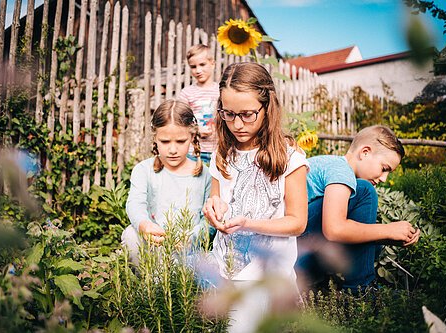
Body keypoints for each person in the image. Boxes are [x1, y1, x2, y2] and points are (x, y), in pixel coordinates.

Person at [202, 62, 309, 333]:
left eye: (247, 114)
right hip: (225, 264)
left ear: (267, 108)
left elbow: (297, 222)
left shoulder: (290, 157)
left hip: (266, 271)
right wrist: (213, 209)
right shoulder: (222, 154)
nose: (237, 124)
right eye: (228, 114)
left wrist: (248, 223)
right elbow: (218, 200)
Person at [296, 125, 421, 293]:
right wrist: (387, 229)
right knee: (364, 191)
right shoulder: (341, 170)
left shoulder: (336, 168)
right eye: (384, 169)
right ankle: (361, 290)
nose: (384, 178)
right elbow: (334, 229)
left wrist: (390, 237)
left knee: (372, 244)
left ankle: (345, 288)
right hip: (291, 253)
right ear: (365, 152)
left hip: (298, 253)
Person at [121, 99, 212, 264]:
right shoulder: (143, 170)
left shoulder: (205, 174)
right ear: (155, 137)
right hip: (155, 246)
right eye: (165, 141)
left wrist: (192, 238)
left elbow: (209, 221)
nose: (172, 149)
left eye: (180, 141)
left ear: (192, 136)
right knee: (130, 234)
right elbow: (135, 203)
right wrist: (144, 225)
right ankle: (151, 284)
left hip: (188, 252)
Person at [178, 44, 219, 164]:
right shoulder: (187, 93)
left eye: (202, 64)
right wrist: (196, 129)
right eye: (193, 67)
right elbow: (181, 120)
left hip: (218, 149)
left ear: (212, 63)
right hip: (193, 151)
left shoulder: (221, 91)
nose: (198, 70)